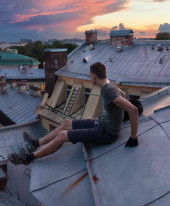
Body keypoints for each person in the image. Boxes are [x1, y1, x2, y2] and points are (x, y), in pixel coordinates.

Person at [9, 62, 139, 165]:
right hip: (100, 123)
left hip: (106, 133)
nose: (90, 78)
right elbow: (121, 95)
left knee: (62, 136)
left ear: (94, 76)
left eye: (90, 76)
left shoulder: (108, 90)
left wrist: (133, 138)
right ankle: (35, 143)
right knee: (66, 123)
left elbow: (133, 110)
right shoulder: (110, 86)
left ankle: (28, 158)